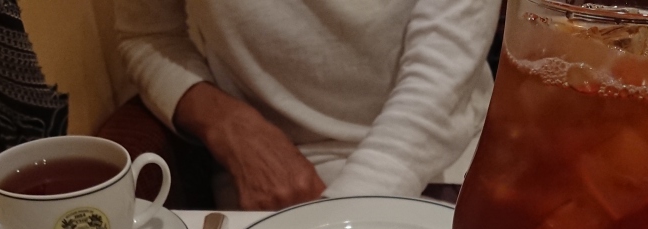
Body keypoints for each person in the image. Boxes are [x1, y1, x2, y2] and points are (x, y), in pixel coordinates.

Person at [112, 0, 499, 210]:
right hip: (271, 181)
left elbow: (442, 70)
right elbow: (150, 36)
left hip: (440, 163)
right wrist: (231, 128)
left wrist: (341, 215)